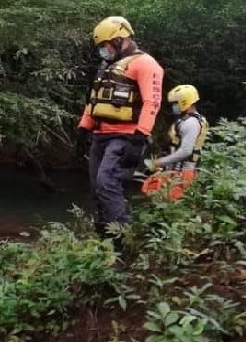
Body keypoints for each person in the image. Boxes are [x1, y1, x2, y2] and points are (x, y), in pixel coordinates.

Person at [77, 16, 164, 241]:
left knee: (107, 183)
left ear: (118, 40)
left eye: (104, 45)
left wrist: (140, 137)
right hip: (100, 136)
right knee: (96, 187)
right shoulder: (107, 67)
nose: (102, 51)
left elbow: (151, 103)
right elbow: (94, 101)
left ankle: (123, 240)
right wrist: (83, 129)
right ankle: (103, 238)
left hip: (125, 136)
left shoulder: (145, 64)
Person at [142, 85, 208, 200]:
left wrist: (158, 163)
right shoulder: (187, 120)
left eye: (175, 103)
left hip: (181, 172)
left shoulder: (191, 123)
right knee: (150, 190)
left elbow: (185, 151)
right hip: (174, 170)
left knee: (166, 200)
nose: (173, 106)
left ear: (184, 102)